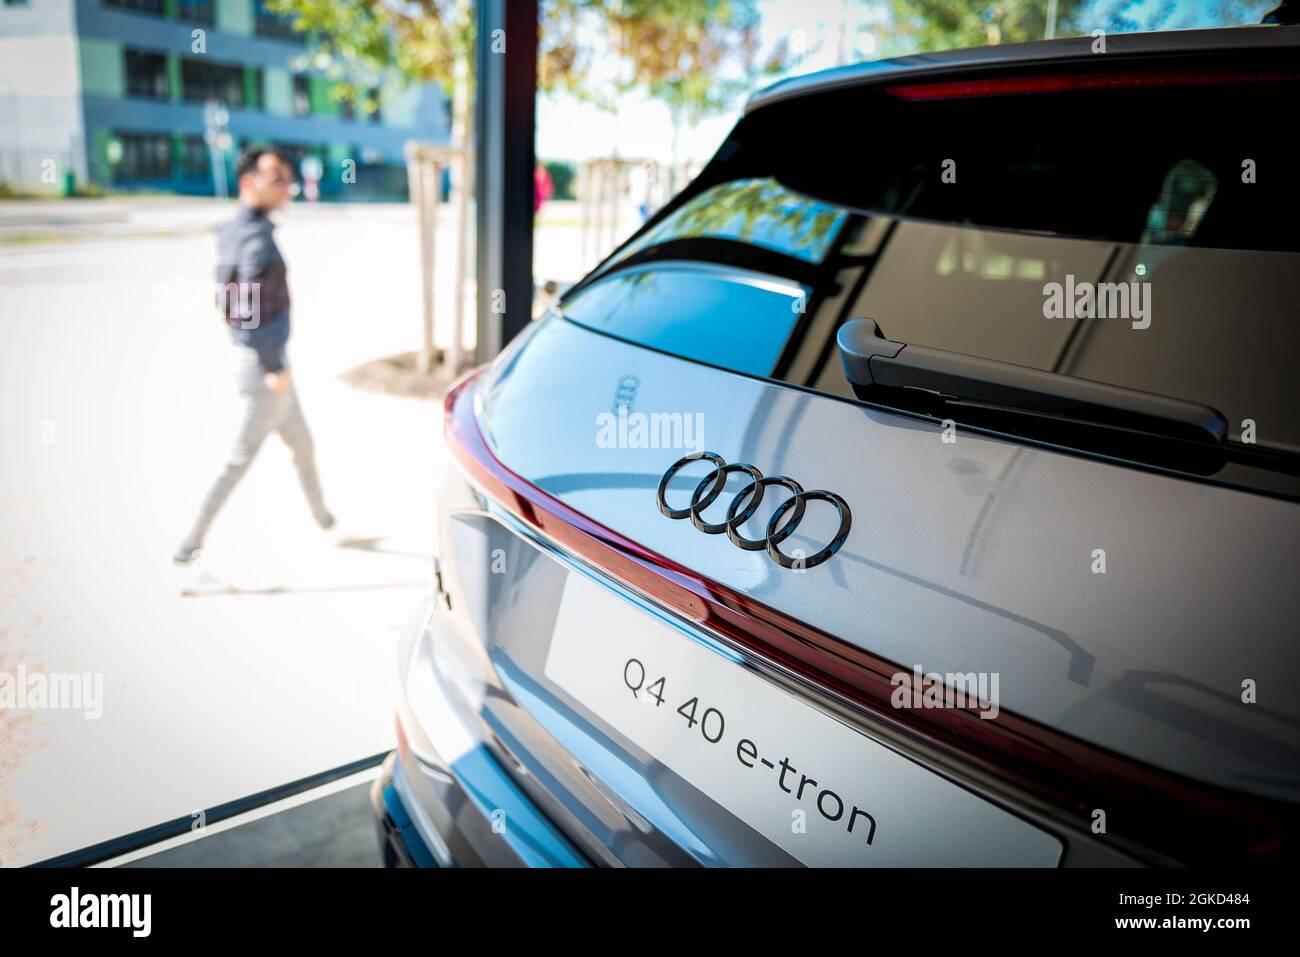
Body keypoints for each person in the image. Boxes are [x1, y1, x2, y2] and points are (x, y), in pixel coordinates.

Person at [173, 148, 335, 572]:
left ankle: (324, 518)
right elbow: (245, 306)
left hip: (266, 363)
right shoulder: (255, 238)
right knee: (239, 460)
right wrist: (272, 366)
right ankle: (191, 543)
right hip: (266, 370)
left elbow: (226, 300)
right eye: (277, 178)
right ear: (249, 182)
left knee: (302, 443)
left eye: (287, 178)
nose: (286, 187)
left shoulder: (233, 230)